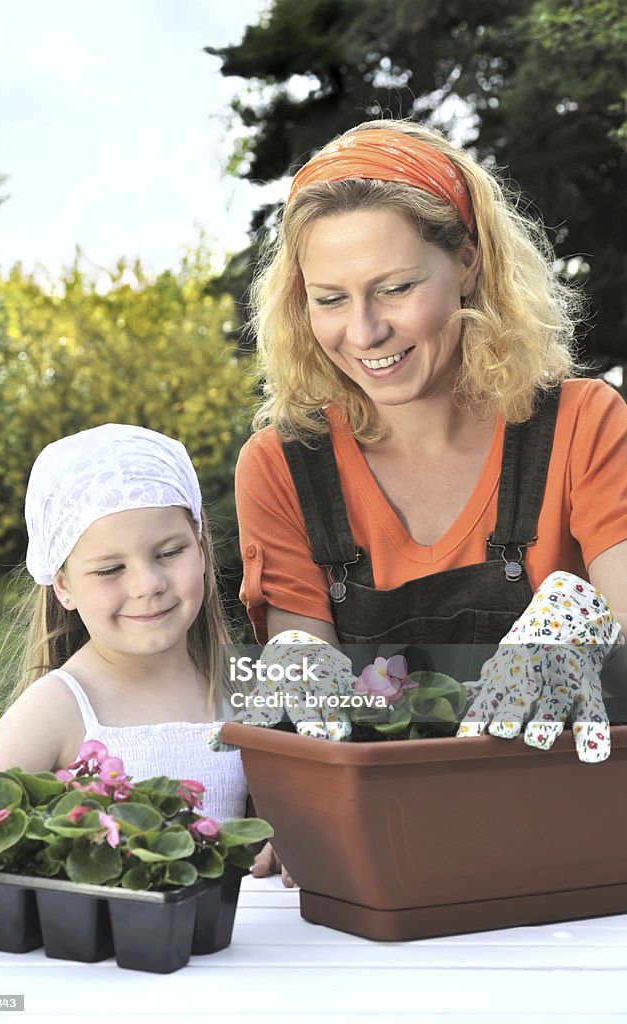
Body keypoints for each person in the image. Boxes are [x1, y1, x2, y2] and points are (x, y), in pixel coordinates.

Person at [232, 119, 627, 876]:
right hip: (388, 852)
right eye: (329, 299)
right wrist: (286, 681)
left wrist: (591, 641)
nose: (364, 331)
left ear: (469, 264)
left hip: (578, 835)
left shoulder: (582, 423)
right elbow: (309, 714)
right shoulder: (283, 466)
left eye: (397, 288)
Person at [0, 424, 247, 823]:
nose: (147, 585)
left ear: (200, 546)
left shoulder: (239, 688)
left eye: (169, 553)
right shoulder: (60, 706)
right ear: (64, 587)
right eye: (111, 569)